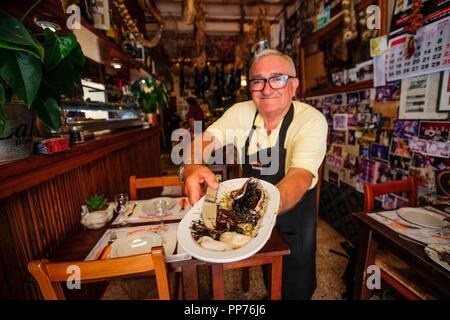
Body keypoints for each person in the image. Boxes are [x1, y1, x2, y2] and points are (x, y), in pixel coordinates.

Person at [178, 49, 328, 299]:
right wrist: (192, 167)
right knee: (267, 265)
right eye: (258, 81)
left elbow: (299, 177)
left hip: (293, 210)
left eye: (277, 78)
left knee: (296, 275)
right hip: (250, 206)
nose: (267, 89)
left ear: (294, 85)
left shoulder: (311, 120)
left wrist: (260, 211)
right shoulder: (241, 112)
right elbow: (204, 140)